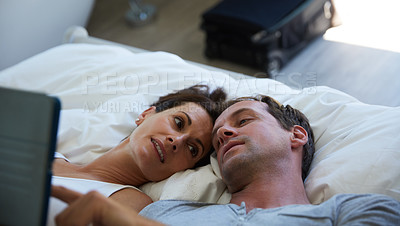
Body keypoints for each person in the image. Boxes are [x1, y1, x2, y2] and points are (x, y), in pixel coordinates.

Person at [52, 95, 400, 225]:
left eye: (244, 120)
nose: (225, 134)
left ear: (295, 135)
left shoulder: (346, 212)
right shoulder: (164, 212)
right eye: (217, 139)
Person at [48, 84, 226, 225]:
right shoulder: (47, 155)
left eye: (192, 149)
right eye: (178, 122)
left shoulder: (132, 205)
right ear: (146, 114)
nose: (177, 141)